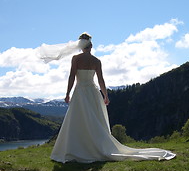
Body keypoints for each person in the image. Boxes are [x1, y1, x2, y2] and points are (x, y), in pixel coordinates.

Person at [40, 33, 176, 163]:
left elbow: (71, 77)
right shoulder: (96, 61)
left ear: (81, 46)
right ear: (91, 46)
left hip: (80, 92)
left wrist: (67, 93)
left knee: (78, 119)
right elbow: (100, 81)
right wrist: (105, 95)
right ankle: (96, 145)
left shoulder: (76, 59)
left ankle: (78, 149)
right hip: (93, 92)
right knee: (95, 120)